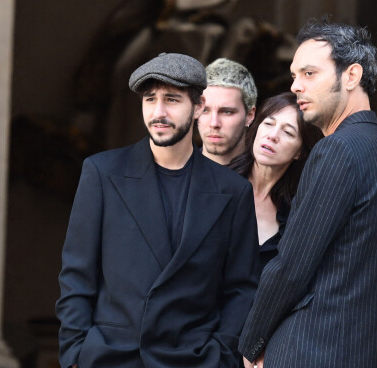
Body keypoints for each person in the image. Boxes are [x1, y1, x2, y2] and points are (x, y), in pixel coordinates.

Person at [55, 52, 259, 368]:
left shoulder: (233, 192)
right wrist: (75, 354)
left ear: (198, 107)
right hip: (112, 358)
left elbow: (240, 289)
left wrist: (220, 356)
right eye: (150, 100)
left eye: (172, 100)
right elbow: (77, 274)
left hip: (193, 360)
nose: (158, 112)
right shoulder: (102, 172)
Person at [238, 19, 377, 368]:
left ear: (351, 76)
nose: (296, 86)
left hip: (315, 348)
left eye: (309, 73)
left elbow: (291, 265)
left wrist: (250, 343)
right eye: (294, 75)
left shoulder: (337, 150)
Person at [228, 92, 322, 269]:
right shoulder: (219, 185)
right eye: (269, 123)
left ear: (299, 153)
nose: (272, 135)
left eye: (287, 132)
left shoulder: (299, 211)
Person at [198, 58, 258, 165]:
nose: (214, 123)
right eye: (205, 110)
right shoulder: (174, 173)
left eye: (227, 112)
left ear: (249, 115)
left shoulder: (265, 177)